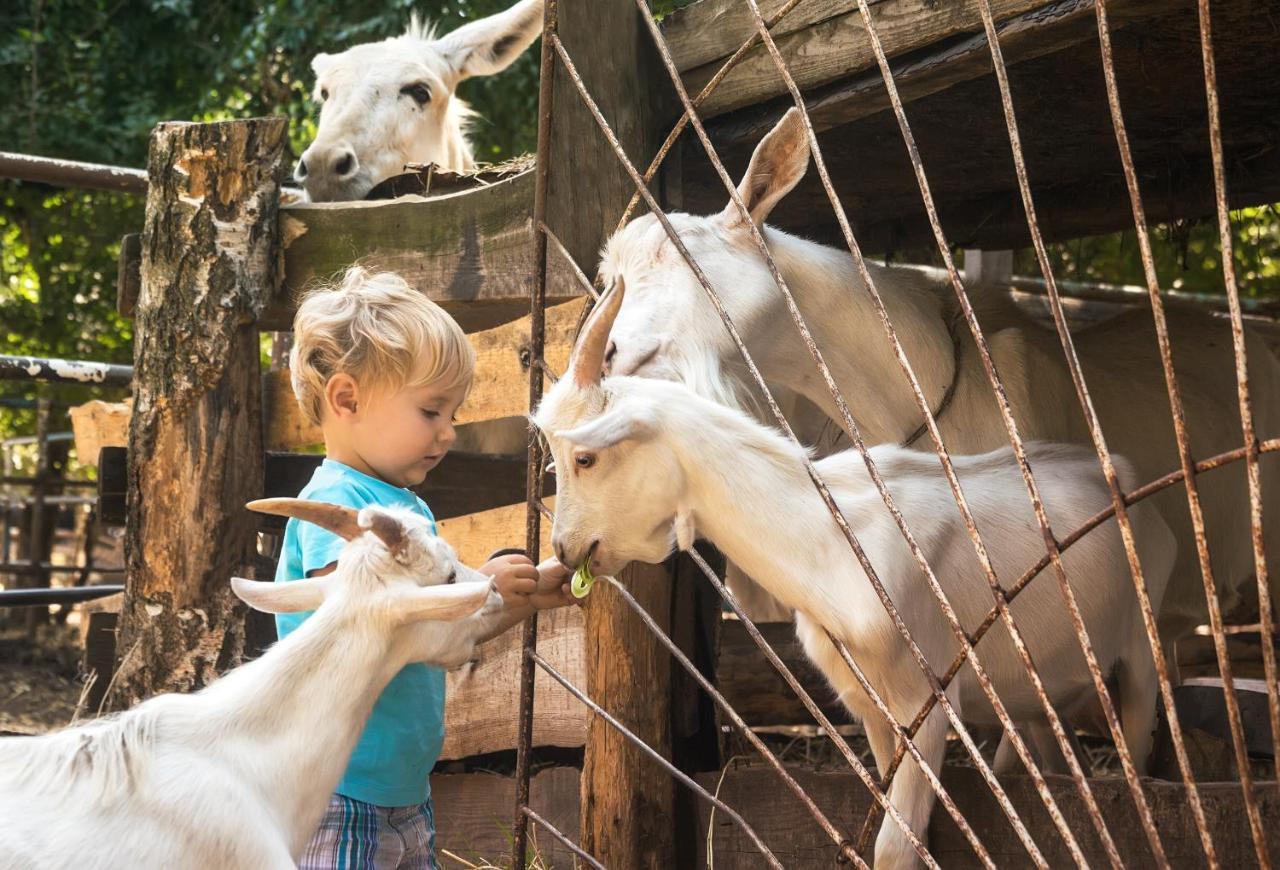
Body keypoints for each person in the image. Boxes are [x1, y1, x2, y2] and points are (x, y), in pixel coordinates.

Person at [276, 266, 573, 869]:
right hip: (336, 791)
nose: (449, 432)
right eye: (431, 411)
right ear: (347, 399)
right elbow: (371, 615)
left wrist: (523, 594)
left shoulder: (406, 509)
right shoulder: (336, 510)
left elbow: (438, 632)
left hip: (403, 792)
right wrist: (479, 587)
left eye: (454, 413)